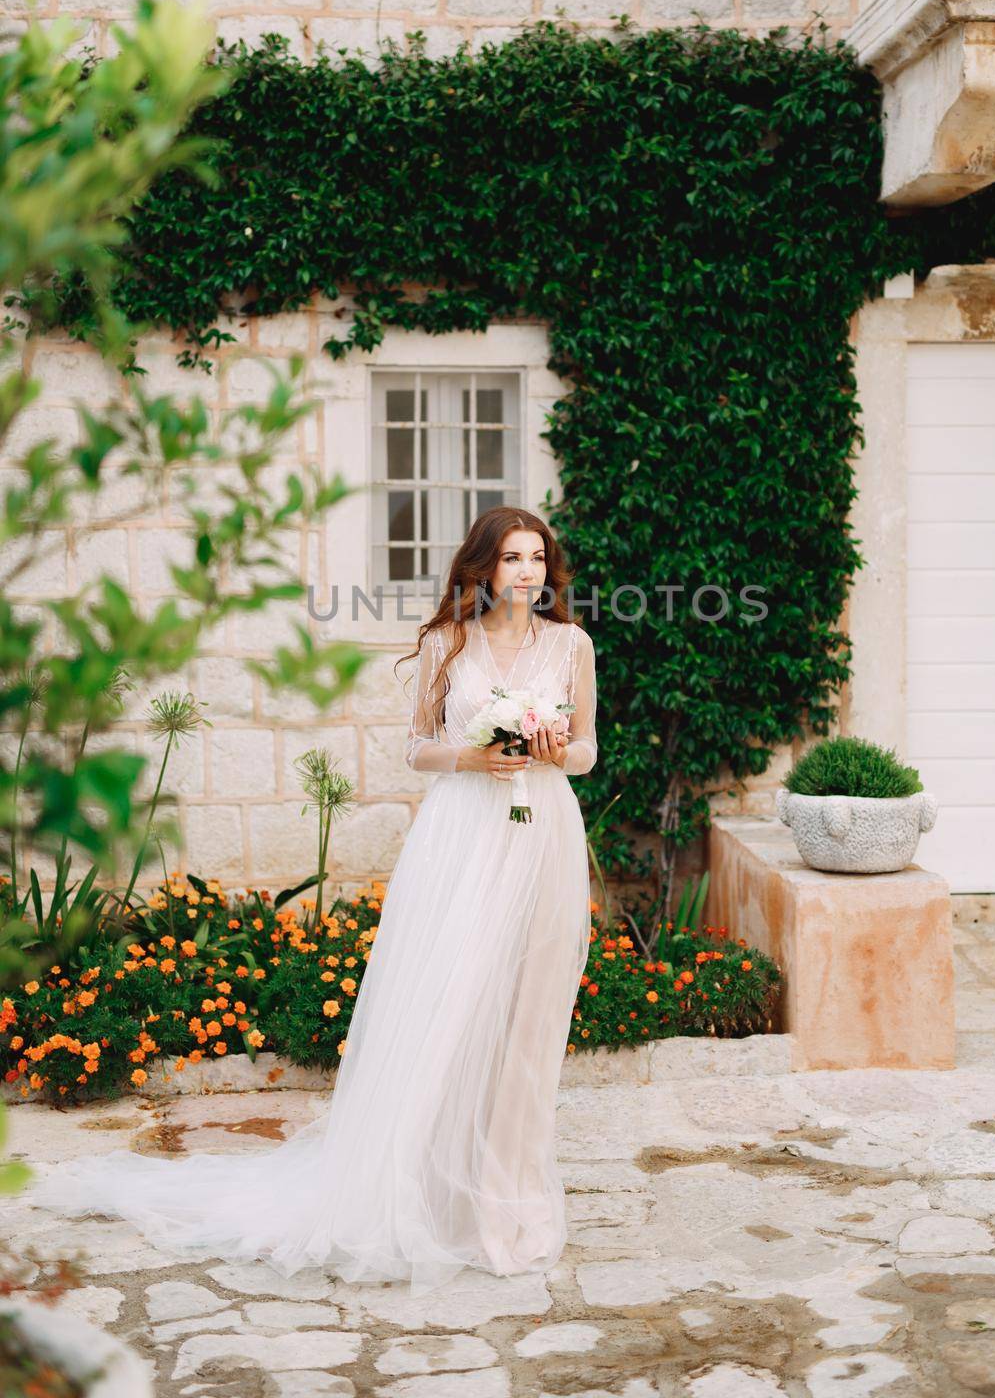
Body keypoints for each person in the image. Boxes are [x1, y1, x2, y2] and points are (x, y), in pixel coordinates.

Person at [30, 506, 598, 1296]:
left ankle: (508, 1204)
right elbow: (416, 747)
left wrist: (550, 749)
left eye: (537, 558)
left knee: (528, 1019)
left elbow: (587, 753)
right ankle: (425, 1192)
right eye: (511, 558)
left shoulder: (571, 645)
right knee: (450, 1009)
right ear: (481, 569)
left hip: (541, 837)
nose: (527, 573)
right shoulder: (447, 644)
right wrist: (472, 758)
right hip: (463, 837)